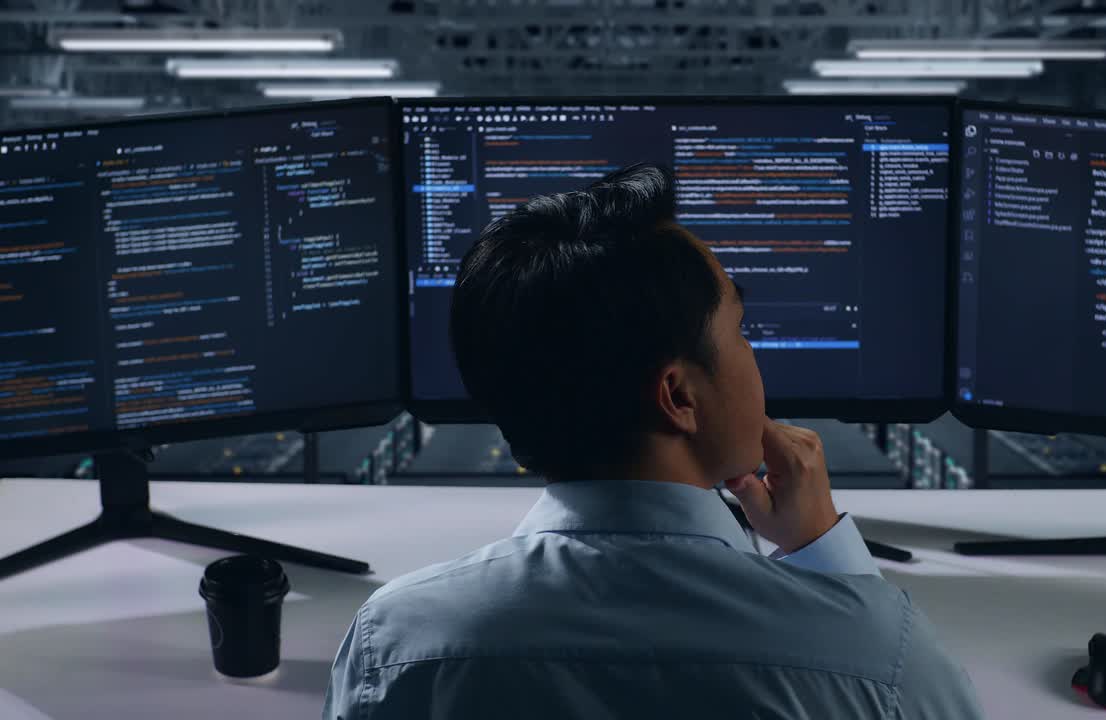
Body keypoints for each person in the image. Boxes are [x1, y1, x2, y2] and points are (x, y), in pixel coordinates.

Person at [323, 164, 985, 719]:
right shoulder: (878, 656)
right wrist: (830, 561)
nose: (753, 355)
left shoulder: (395, 640)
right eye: (741, 329)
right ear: (679, 397)